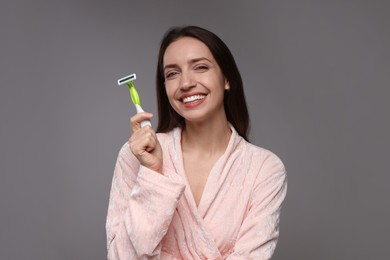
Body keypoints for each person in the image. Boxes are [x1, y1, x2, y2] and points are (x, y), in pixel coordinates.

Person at [106, 25, 287, 259]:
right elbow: (121, 257)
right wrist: (152, 174)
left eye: (200, 67)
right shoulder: (136, 155)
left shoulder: (265, 169)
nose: (185, 83)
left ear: (227, 79)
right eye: (172, 73)